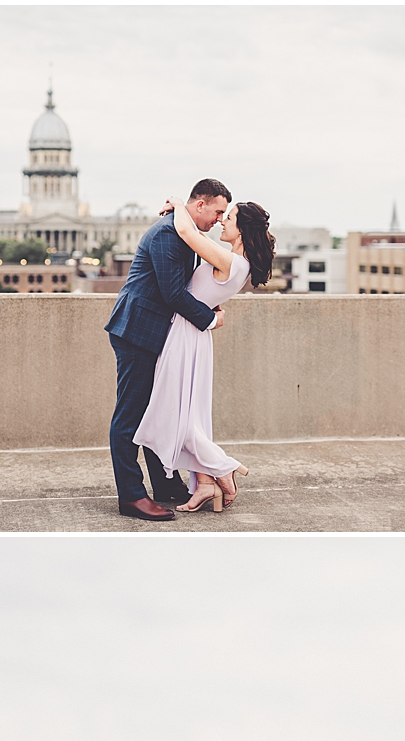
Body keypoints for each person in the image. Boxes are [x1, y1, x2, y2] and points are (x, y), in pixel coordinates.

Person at [133, 197, 275, 514]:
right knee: (188, 415)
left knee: (172, 416)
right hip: (192, 335)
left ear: (242, 229)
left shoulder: (232, 262)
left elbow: (186, 232)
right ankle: (206, 484)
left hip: (186, 336)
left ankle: (223, 468)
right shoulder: (237, 262)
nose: (223, 220)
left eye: (230, 216)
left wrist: (179, 205)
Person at [104, 179, 232, 522]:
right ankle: (131, 496)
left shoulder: (183, 227)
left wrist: (178, 204)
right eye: (217, 211)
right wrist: (210, 320)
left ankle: (164, 485)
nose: (220, 219)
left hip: (155, 333)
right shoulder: (167, 234)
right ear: (200, 204)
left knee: (155, 411)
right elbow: (173, 293)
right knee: (131, 416)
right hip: (136, 332)